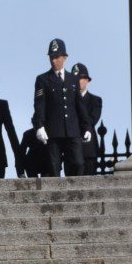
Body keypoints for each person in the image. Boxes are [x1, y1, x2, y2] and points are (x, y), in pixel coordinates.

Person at [32, 38, 92, 177]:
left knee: (78, 164)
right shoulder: (43, 79)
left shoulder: (73, 79)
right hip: (54, 131)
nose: (54, 61)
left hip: (72, 131)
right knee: (54, 168)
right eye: (51, 57)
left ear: (64, 57)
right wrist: (39, 126)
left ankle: (74, 189)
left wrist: (87, 127)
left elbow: (80, 106)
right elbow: (39, 105)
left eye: (57, 57)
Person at [67, 62, 102, 176]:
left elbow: (92, 120)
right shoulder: (66, 101)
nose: (77, 81)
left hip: (88, 149)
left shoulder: (95, 100)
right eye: (74, 79)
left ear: (87, 80)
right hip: (70, 149)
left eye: (80, 78)